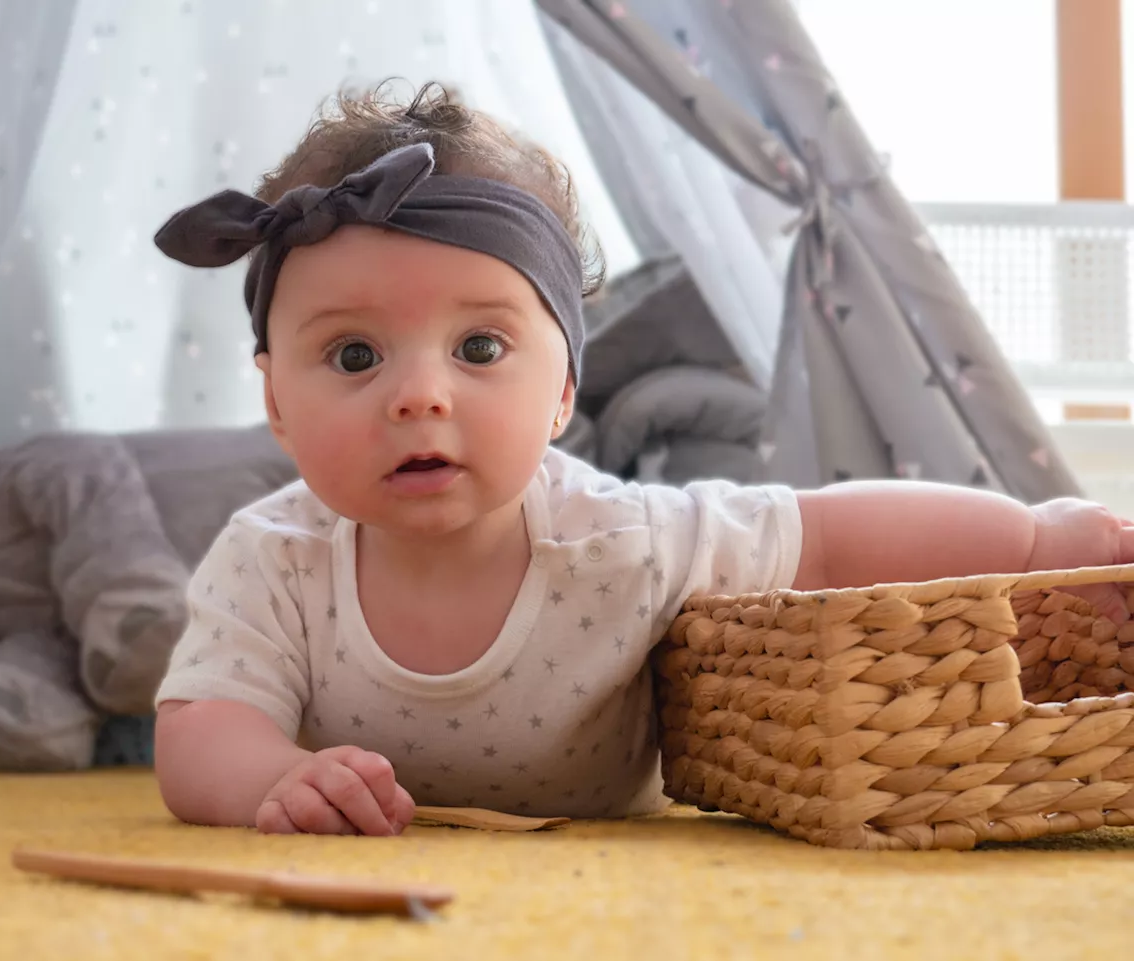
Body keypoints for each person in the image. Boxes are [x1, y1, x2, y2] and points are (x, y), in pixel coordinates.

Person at [149, 82, 1134, 838]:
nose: (420, 394)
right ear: (276, 401)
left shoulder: (622, 543)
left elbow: (828, 537)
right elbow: (202, 724)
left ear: (564, 391)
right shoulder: (272, 556)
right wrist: (271, 780)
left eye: (480, 349)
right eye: (354, 355)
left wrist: (1040, 537)